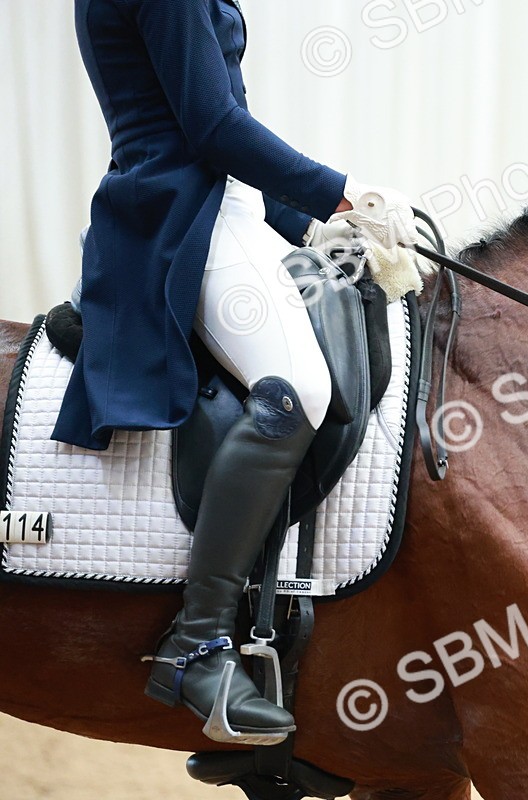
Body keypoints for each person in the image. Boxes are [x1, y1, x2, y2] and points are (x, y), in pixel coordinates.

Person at [55, 0, 417, 744]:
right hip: (182, 217)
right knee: (299, 390)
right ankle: (198, 642)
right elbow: (213, 127)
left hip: (225, 208)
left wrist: (315, 224)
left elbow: (222, 136)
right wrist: (345, 192)